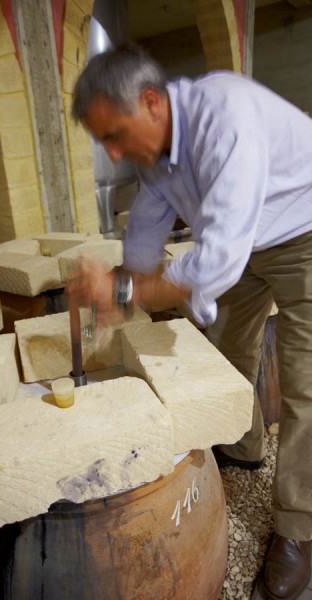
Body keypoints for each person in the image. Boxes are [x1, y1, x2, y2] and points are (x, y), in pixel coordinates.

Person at [67, 43, 312, 600]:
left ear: (151, 102)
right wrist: (116, 293)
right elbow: (146, 235)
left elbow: (216, 260)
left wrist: (126, 288)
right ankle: (242, 447)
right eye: (103, 140)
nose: (112, 149)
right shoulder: (154, 158)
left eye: (114, 134)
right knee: (223, 353)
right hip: (246, 238)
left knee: (307, 382)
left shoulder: (225, 118)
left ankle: (300, 531)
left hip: (305, 227)